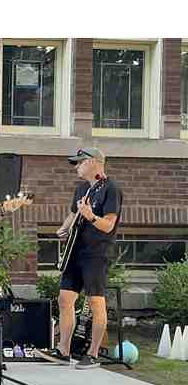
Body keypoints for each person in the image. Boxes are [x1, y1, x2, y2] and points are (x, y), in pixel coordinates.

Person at [35, 147, 122, 369]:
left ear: (94, 162)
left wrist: (91, 215)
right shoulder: (82, 189)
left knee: (95, 302)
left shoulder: (111, 189)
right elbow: (74, 213)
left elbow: (108, 225)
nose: (76, 167)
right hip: (75, 250)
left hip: (96, 253)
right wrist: (63, 228)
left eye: (80, 162)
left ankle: (93, 354)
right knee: (64, 299)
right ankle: (63, 351)